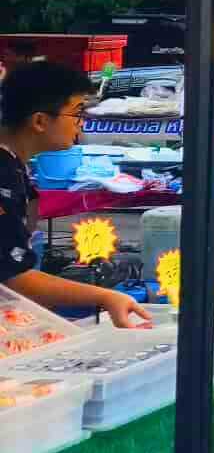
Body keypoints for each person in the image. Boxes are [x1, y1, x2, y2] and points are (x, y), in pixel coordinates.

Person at [0, 62, 152, 326]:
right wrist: (106, 297)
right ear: (39, 121)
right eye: (77, 113)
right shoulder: (2, 171)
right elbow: (14, 278)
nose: (81, 125)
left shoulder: (14, 165)